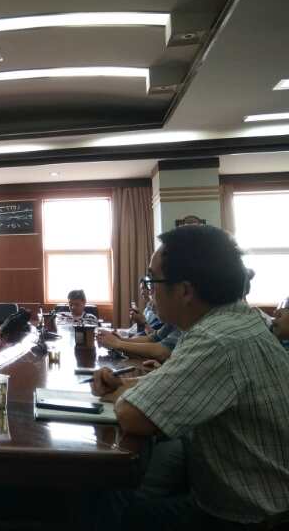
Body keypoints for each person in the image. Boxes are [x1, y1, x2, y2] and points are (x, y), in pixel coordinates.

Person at [90, 225, 289, 529]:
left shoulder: (218, 340)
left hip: (249, 518)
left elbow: (133, 417)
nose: (149, 291)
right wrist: (124, 385)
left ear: (185, 291)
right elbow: (174, 384)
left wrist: (123, 394)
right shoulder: (233, 321)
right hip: (246, 501)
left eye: (152, 280)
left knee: (100, 499)